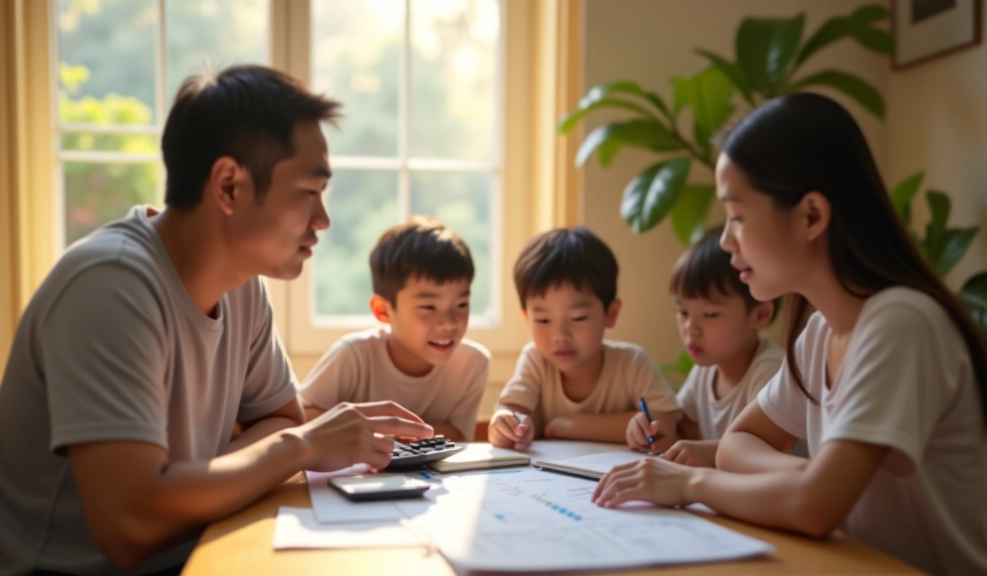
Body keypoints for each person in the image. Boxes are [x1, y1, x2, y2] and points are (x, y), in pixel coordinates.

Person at [0, 65, 433, 576]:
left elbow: (279, 420)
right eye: (309, 192)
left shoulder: (243, 285)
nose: (323, 220)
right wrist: (302, 447)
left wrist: (179, 482)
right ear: (228, 186)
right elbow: (130, 528)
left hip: (191, 552)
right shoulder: (109, 285)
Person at [592, 92, 987, 575]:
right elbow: (736, 443)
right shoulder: (819, 334)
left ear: (811, 215)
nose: (726, 240)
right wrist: (810, 476)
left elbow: (813, 509)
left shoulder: (900, 323)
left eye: (738, 216)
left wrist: (689, 484)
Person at [299, 216, 490, 442]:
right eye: (428, 307)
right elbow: (305, 417)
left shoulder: (473, 363)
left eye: (461, 305)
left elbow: (457, 436)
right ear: (383, 310)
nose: (448, 322)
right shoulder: (353, 355)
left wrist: (376, 431)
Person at [488, 226, 678, 450]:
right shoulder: (535, 360)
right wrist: (506, 426)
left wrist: (569, 426)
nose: (560, 336)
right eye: (542, 320)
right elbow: (509, 410)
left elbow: (665, 425)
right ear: (526, 317)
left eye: (578, 318)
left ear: (610, 313)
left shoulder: (632, 363)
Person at [625, 229, 782, 464]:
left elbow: (764, 452)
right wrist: (651, 429)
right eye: (683, 312)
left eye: (709, 314)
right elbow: (681, 425)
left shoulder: (771, 370)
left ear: (760, 315)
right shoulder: (707, 369)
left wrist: (706, 453)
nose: (691, 328)